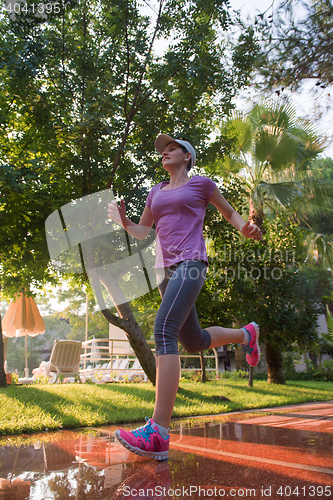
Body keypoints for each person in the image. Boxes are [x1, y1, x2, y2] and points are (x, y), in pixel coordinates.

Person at [107, 134, 262, 461]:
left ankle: (158, 433)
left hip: (191, 263)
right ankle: (247, 334)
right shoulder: (155, 192)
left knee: (163, 328)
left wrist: (245, 228)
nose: (165, 152)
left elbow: (229, 214)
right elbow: (143, 233)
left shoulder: (202, 184)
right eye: (163, 150)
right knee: (192, 341)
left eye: (172, 148)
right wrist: (124, 221)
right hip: (164, 269)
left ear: (187, 156)